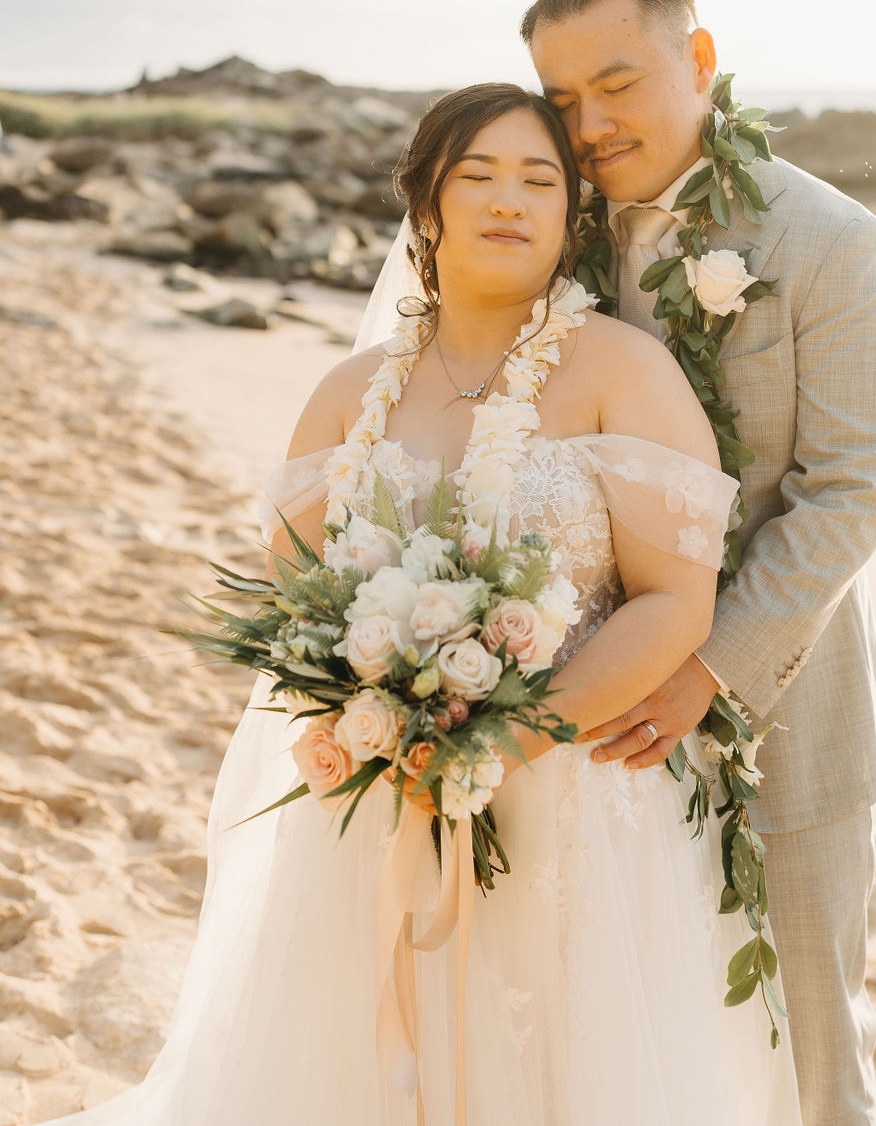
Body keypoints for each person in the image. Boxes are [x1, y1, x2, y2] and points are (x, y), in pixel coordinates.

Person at [43, 82, 802, 1125]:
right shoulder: (347, 394)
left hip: (577, 802)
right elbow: (294, 604)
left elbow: (674, 601)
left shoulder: (623, 371)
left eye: (540, 179)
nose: (509, 199)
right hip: (376, 798)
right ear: (425, 208)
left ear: (572, 215)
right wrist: (381, 723)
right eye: (476, 175)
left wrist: (501, 738)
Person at [519, 0, 876, 1126]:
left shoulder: (830, 243)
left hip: (784, 718)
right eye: (559, 99)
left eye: (617, 81)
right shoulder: (551, 231)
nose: (587, 124)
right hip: (589, 727)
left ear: (697, 57)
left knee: (802, 1052)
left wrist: (706, 667)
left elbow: (851, 488)